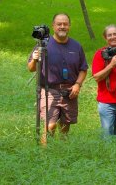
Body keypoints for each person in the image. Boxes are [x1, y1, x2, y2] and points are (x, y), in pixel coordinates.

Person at [28, 13, 88, 143]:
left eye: (65, 24)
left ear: (69, 26)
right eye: (59, 24)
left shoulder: (76, 46)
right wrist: (34, 59)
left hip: (70, 91)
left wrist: (78, 84)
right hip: (49, 90)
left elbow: (83, 69)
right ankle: (45, 154)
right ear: (53, 26)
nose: (62, 27)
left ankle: (61, 151)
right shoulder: (43, 44)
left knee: (65, 126)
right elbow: (31, 68)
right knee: (50, 125)